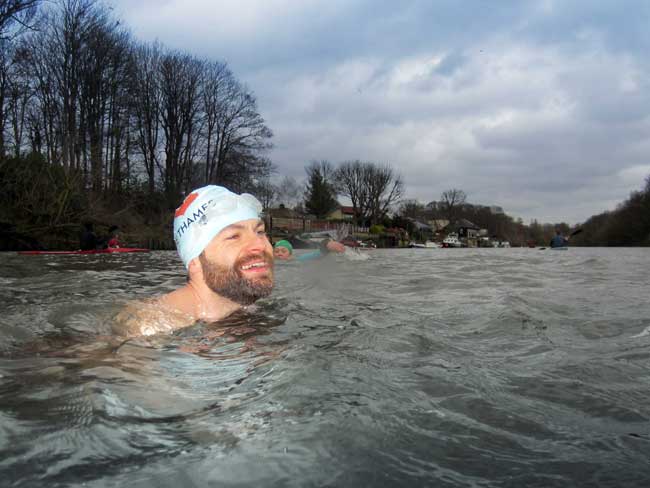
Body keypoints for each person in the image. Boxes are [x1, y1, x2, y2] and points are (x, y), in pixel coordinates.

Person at [113, 185, 274, 337]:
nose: (261, 245)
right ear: (194, 260)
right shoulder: (149, 327)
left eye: (260, 232)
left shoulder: (251, 309)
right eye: (233, 236)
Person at [273, 238, 346, 261]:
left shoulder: (298, 259)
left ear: (290, 254)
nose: (279, 253)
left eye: (283, 251)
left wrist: (327, 245)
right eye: (276, 251)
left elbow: (318, 254)